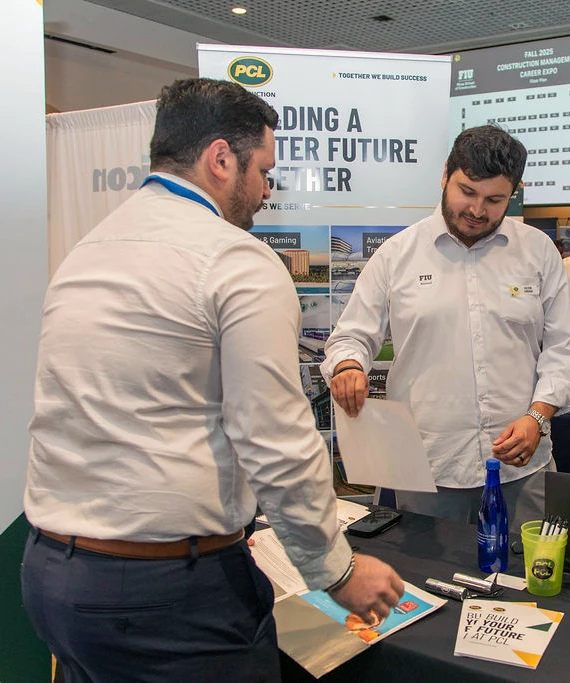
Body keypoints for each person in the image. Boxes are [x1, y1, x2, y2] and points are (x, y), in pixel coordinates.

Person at [21, 78, 403, 682]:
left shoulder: (87, 249)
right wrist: (339, 572)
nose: (265, 190)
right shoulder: (234, 259)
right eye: (262, 170)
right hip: (168, 596)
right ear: (220, 159)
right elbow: (272, 436)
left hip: (54, 575)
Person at [323, 125, 570, 532]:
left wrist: (539, 415)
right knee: (427, 584)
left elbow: (563, 349)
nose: (478, 210)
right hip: (427, 468)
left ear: (513, 192)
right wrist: (348, 366)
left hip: (521, 465)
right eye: (467, 192)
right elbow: (351, 336)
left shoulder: (538, 252)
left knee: (528, 585)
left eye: (495, 199)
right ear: (445, 175)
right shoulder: (397, 255)